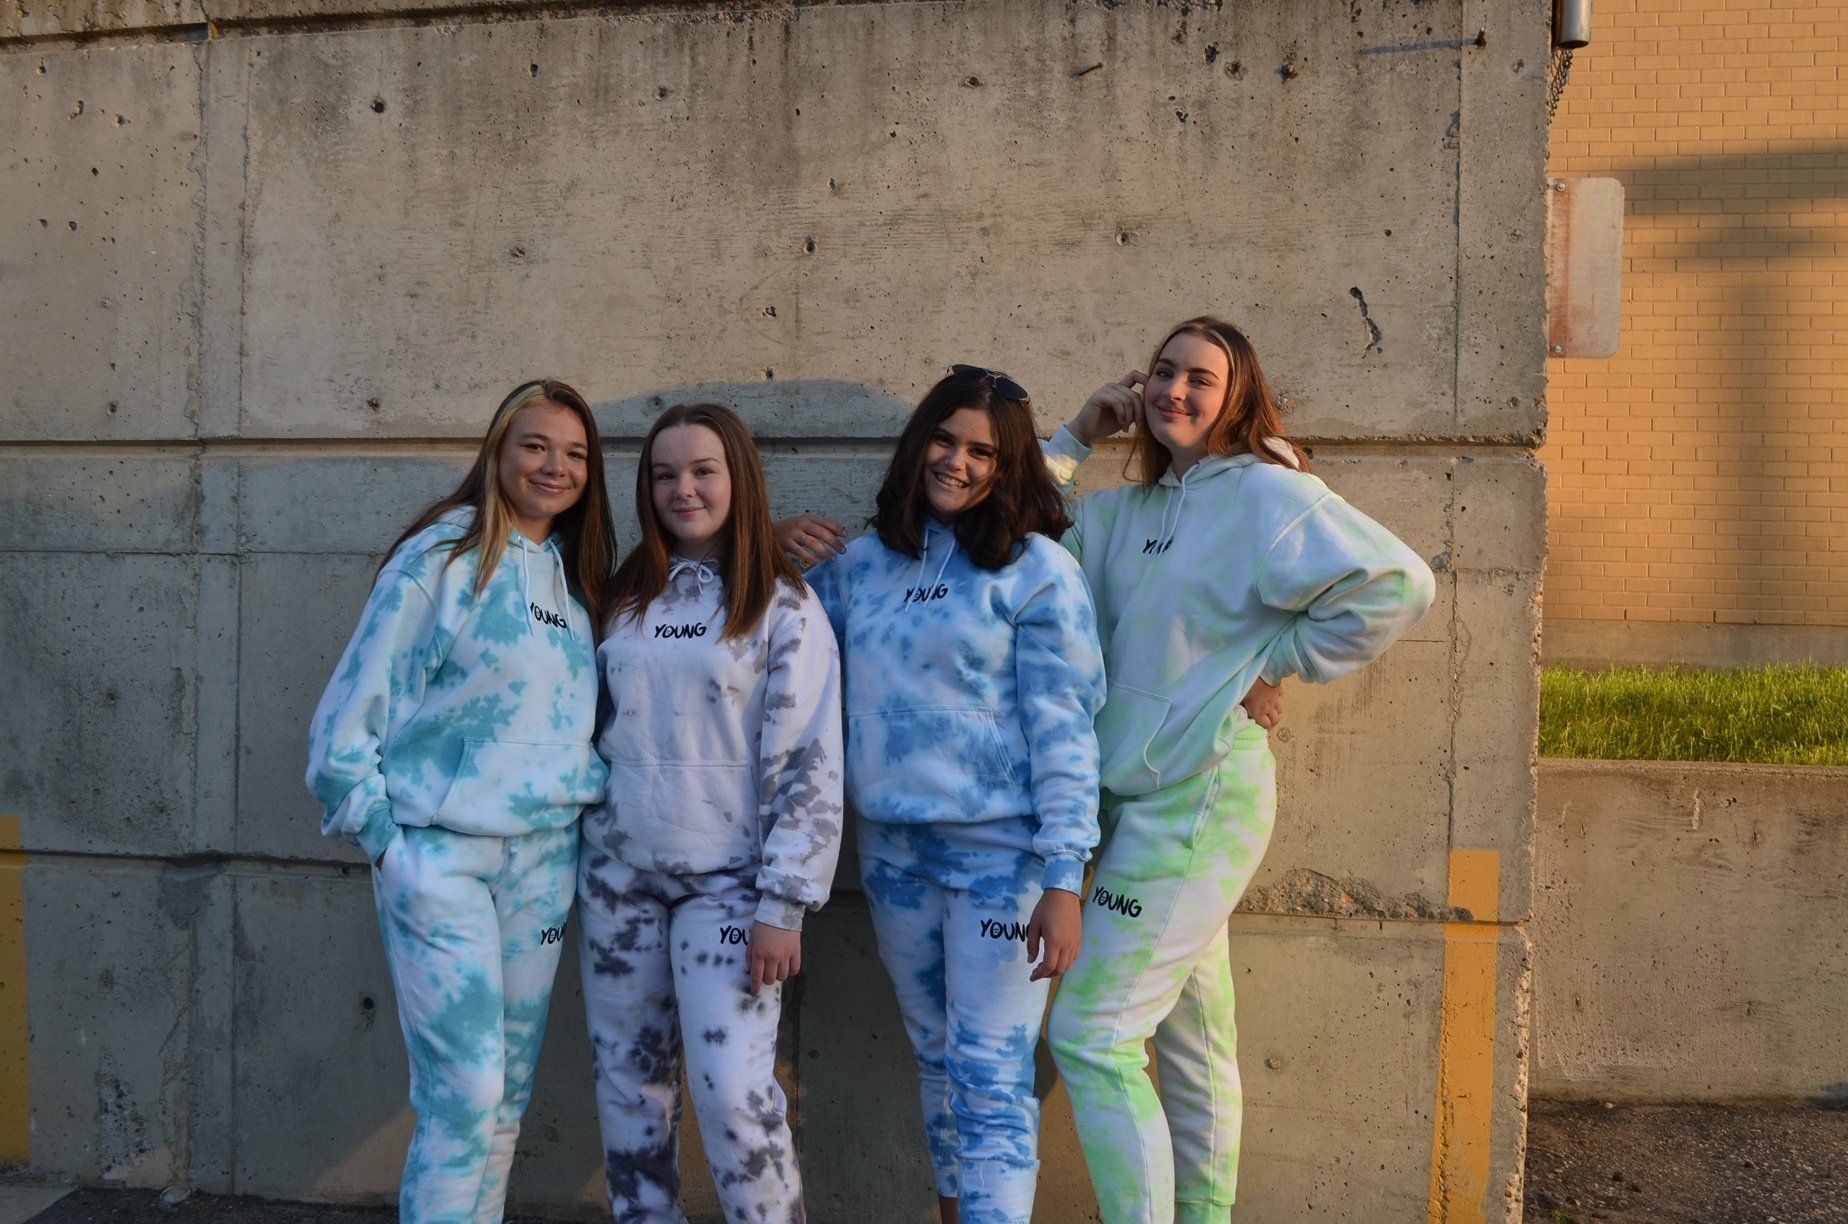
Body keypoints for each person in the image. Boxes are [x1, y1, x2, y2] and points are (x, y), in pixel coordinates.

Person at [1038, 316, 1437, 1224]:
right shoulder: (1120, 515)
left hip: (1203, 798)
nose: (1174, 390)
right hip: (1131, 803)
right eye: (1163, 372)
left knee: (1093, 1035)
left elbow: (1399, 583)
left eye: (1200, 379)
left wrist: (1274, 662)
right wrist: (1075, 436)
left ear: (1236, 398)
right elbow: (1015, 542)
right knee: (1192, 1041)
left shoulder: (1265, 494)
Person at [798, 366, 1105, 1224]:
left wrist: (1064, 877)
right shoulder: (860, 567)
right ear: (918, 443)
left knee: (991, 1077)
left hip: (1003, 861)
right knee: (936, 1059)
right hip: (892, 855)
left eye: (982, 452)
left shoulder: (1037, 572)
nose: (957, 462)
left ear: (1008, 468)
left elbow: (1066, 733)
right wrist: (767, 539)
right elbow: (764, 640)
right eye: (944, 440)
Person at [305, 378, 615, 1223]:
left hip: (544, 862)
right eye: (535, 446)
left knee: (505, 1099)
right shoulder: (443, 558)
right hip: (441, 860)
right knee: (464, 1096)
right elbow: (346, 721)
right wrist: (387, 842)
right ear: (497, 452)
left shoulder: (576, 577)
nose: (555, 467)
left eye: (575, 454)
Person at [579, 402, 843, 1224]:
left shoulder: (783, 605)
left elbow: (810, 760)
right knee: (629, 1090)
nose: (683, 490)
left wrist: (784, 905)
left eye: (703, 471)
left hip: (731, 891)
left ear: (740, 479)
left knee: (734, 1096)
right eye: (664, 475)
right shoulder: (622, 597)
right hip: (618, 882)